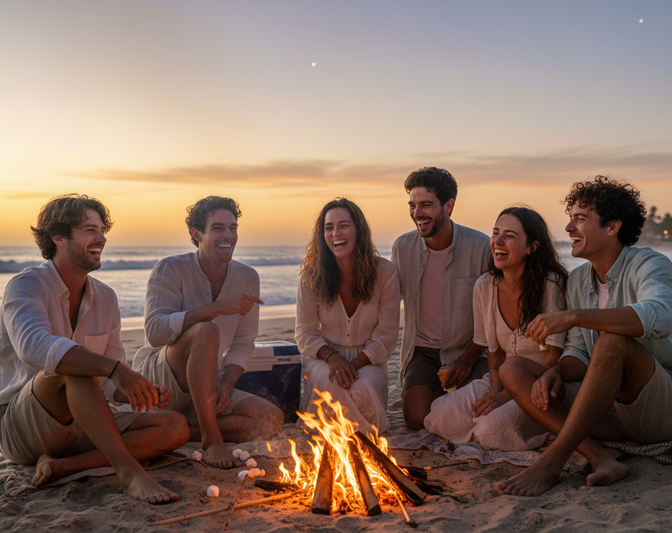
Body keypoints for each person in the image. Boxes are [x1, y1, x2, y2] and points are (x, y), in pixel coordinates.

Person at [497, 176, 672, 496]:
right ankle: (600, 456)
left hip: (663, 413)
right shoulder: (578, 279)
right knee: (513, 368)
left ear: (612, 227)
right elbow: (579, 354)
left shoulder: (650, 264)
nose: (569, 228)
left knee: (612, 341)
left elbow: (660, 316)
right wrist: (557, 370)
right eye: (570, 218)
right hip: (606, 410)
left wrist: (573, 316)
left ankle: (551, 463)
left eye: (580, 219)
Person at [0, 194, 188, 504]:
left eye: (103, 230)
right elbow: (34, 347)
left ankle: (63, 466)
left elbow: (107, 381)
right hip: (22, 427)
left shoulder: (106, 297)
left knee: (175, 426)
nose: (102, 238)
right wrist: (118, 371)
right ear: (58, 237)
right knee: (73, 367)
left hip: (83, 424)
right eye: (90, 230)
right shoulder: (26, 286)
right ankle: (129, 471)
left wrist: (133, 391)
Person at [133, 196, 283, 469]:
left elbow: (243, 341)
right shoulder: (170, 268)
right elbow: (154, 333)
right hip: (163, 378)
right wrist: (216, 308)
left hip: (207, 381)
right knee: (206, 332)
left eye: (233, 228)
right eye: (218, 228)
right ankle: (211, 439)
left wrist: (226, 384)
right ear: (196, 234)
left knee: (271, 419)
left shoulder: (248, 277)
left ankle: (184, 430)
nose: (228, 235)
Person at [423, 207, 571, 450]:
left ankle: (539, 427)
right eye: (495, 233)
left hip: (539, 385)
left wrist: (507, 396)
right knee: (438, 414)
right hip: (500, 379)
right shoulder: (485, 286)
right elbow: (494, 352)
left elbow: (555, 357)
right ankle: (487, 427)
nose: (497, 242)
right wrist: (494, 392)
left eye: (509, 236)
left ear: (531, 247)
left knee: (492, 431)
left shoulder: (549, 285)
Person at [392, 167, 491, 430]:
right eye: (412, 205)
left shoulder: (481, 248)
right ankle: (442, 401)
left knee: (477, 412)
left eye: (426, 205)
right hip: (422, 353)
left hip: (469, 350)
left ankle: (450, 402)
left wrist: (468, 358)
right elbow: (384, 296)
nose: (417, 213)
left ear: (449, 206)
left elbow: (493, 315)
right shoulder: (402, 248)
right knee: (416, 418)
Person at [295, 198, 400, 435]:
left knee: (363, 387)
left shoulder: (385, 273)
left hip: (369, 360)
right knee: (330, 384)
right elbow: (305, 334)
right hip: (323, 357)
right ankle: (338, 444)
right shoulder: (311, 277)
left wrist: (352, 366)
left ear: (358, 230)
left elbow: (386, 337)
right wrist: (334, 359)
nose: (335, 233)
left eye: (343, 225)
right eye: (329, 227)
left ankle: (361, 445)